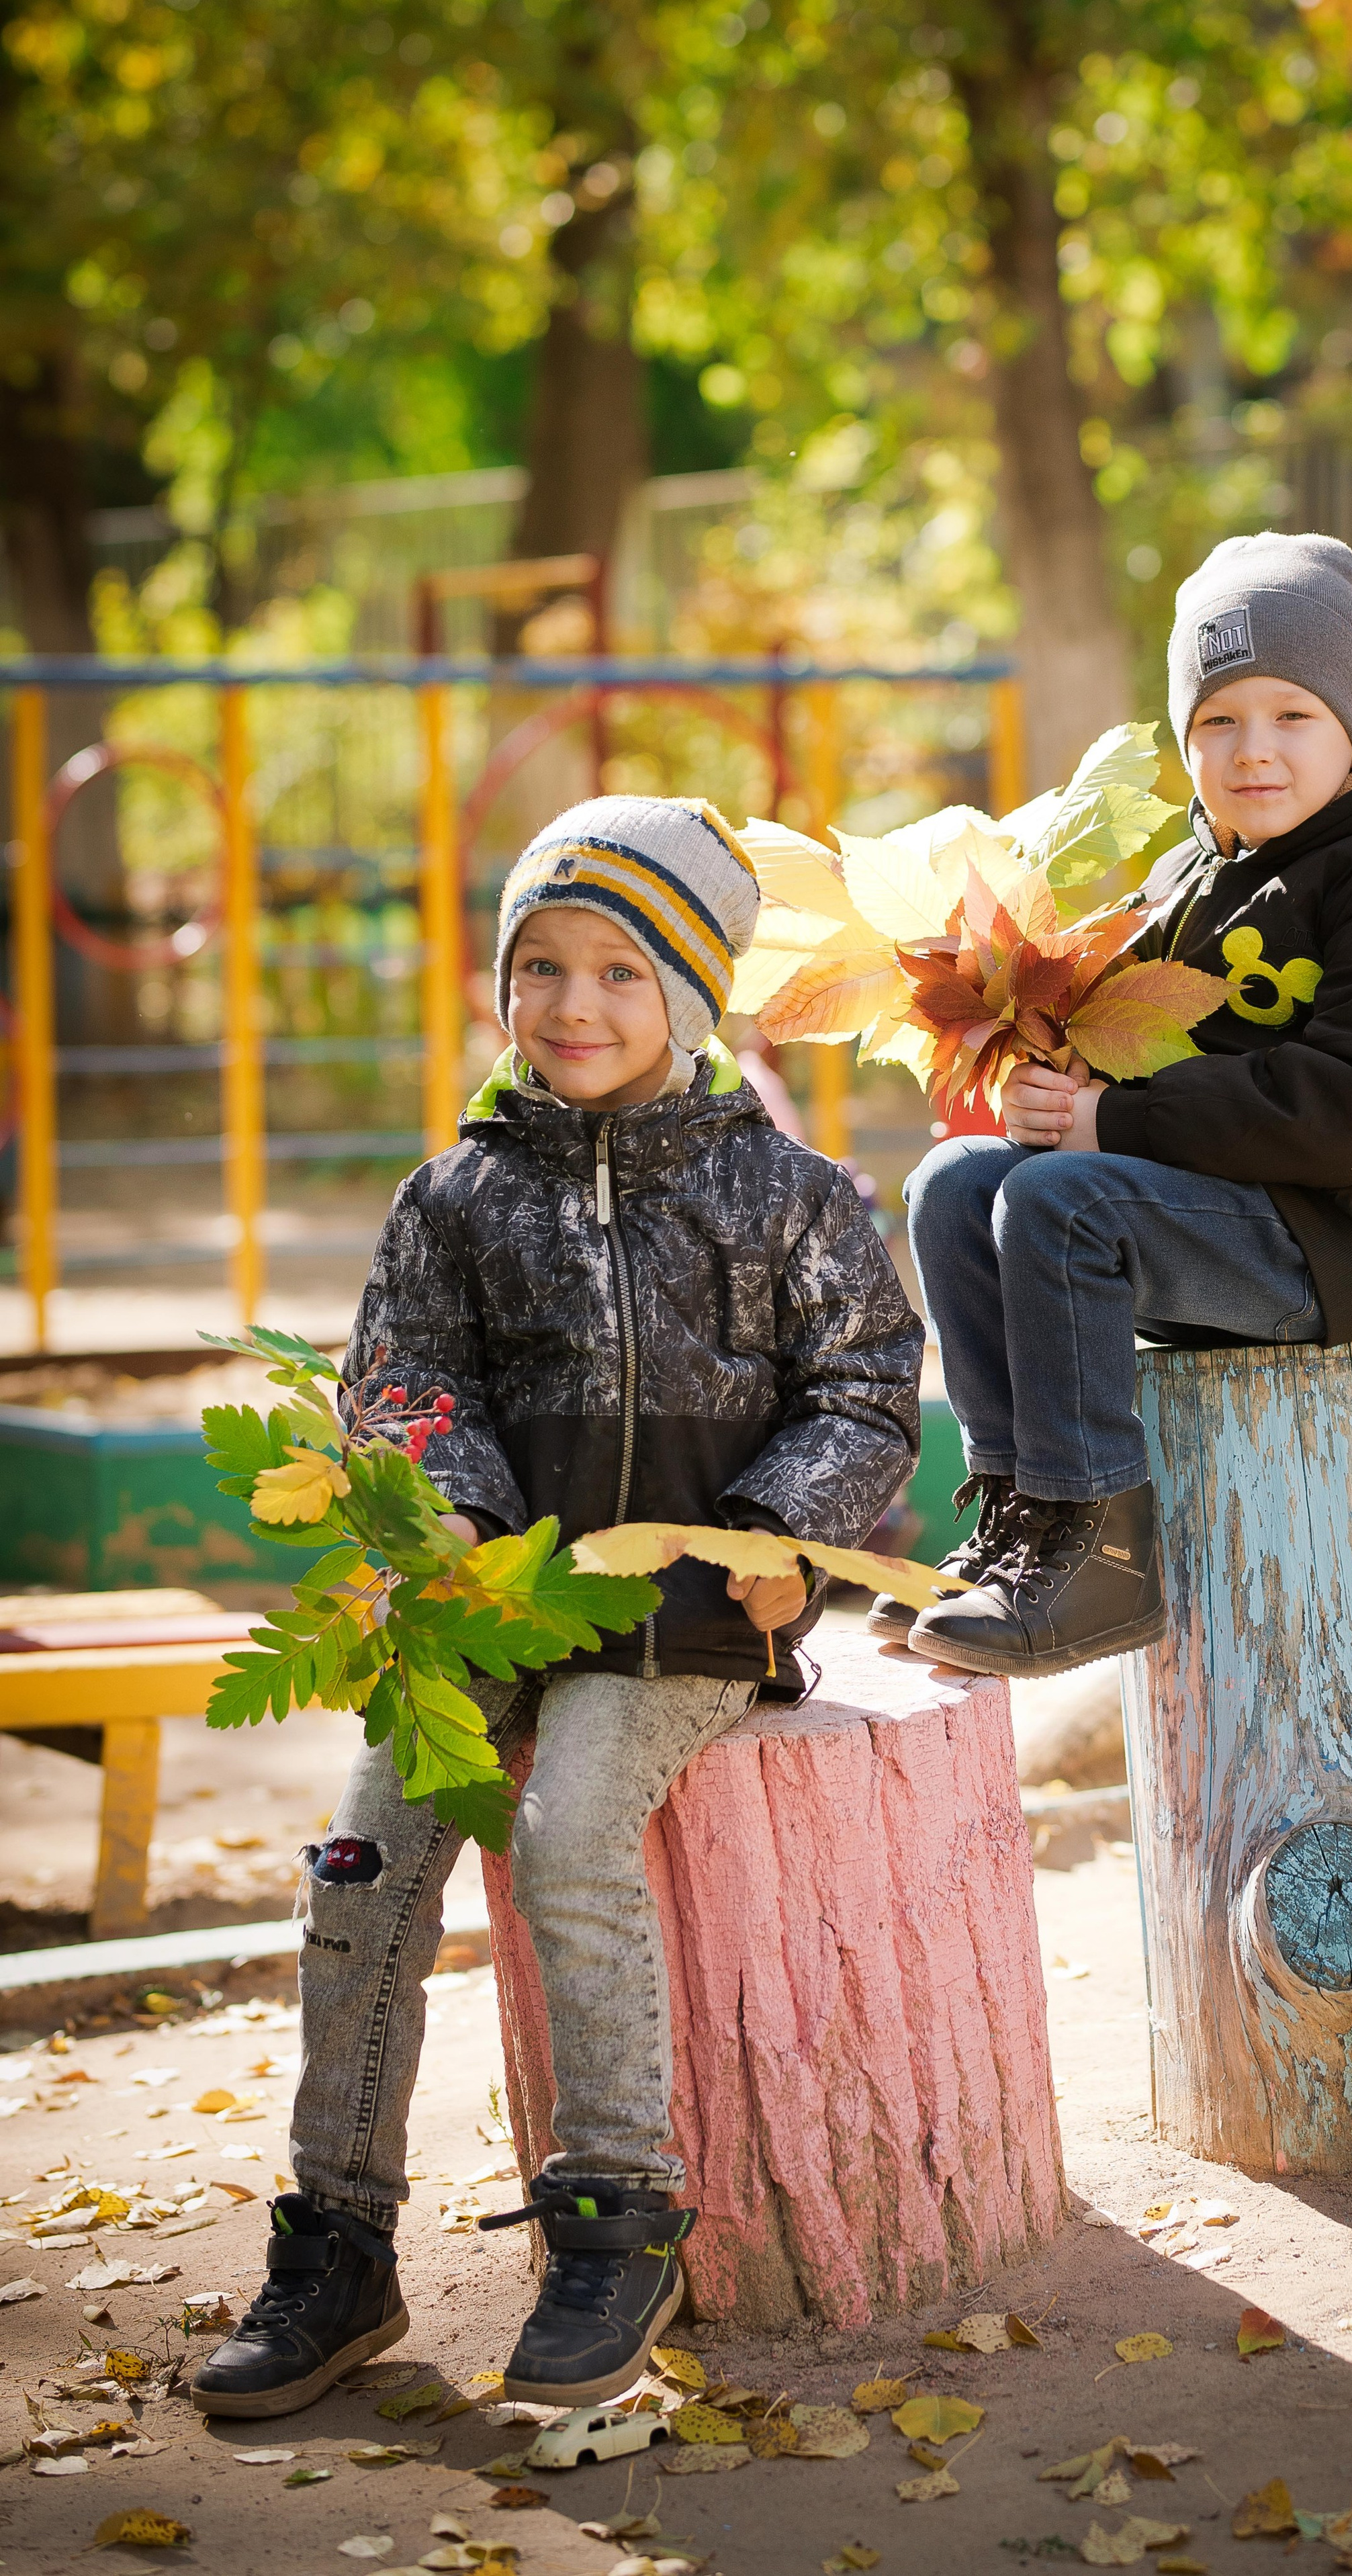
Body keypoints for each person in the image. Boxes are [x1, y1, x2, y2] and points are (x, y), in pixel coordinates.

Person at [192, 795, 922, 2420]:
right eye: (540, 967)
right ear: (499, 983)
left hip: (686, 1613)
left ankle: (617, 2215)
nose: (574, 1005)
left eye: (618, 969)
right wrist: (453, 1525)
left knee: (576, 1829)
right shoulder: (453, 1195)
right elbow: (410, 1386)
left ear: (690, 992)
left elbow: (869, 1392)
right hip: (486, 1604)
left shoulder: (782, 1191)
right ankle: (338, 2243)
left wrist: (775, 1525)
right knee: (365, 1859)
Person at [878, 530, 1352, 1679]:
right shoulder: (1190, 879)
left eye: (1293, 716)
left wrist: (1111, 1127)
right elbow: (1142, 1061)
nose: (1253, 751)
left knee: (1067, 1203)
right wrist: (1065, 1086)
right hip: (1223, 1213)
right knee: (954, 1185)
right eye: (1217, 721)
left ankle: (1103, 1559)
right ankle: (1021, 1515)